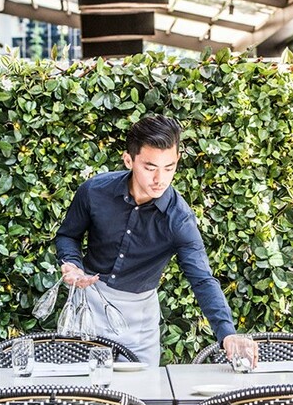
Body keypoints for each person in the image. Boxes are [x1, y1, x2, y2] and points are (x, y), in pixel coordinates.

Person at [54, 114, 258, 367]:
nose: (160, 179)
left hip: (139, 319)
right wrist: (71, 264)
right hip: (86, 306)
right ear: (129, 159)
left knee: (139, 401)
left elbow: (202, 278)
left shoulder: (179, 219)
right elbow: (67, 236)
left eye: (169, 168)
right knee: (79, 400)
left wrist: (227, 332)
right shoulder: (94, 191)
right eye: (150, 168)